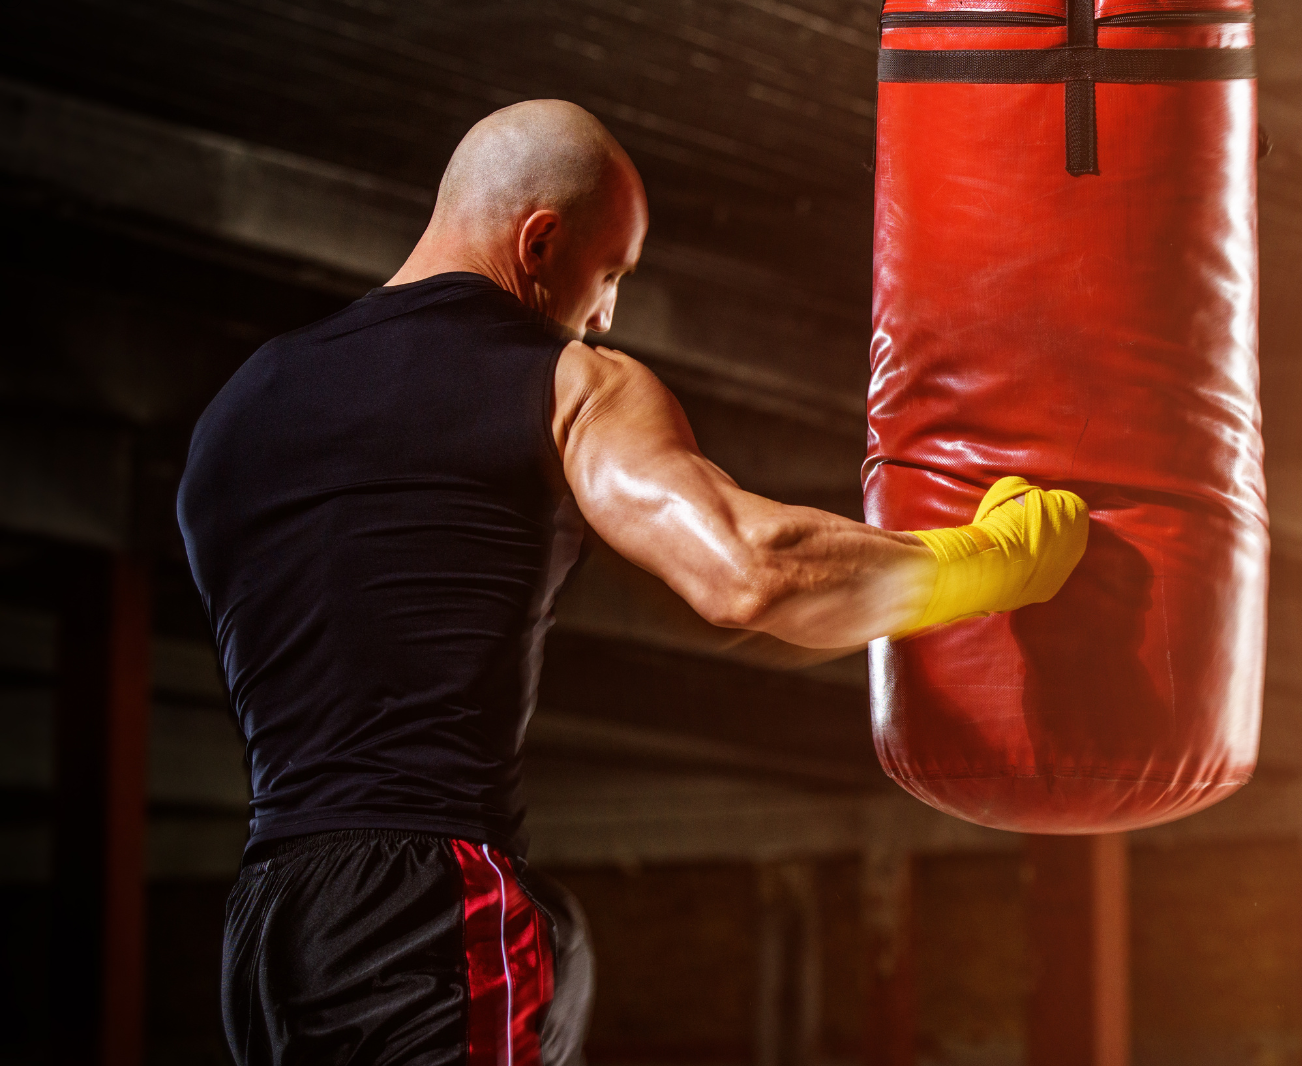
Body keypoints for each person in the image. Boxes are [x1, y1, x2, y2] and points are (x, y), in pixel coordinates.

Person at [178, 99, 1088, 1066]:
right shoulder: (569, 383)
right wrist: (993, 565)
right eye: (610, 274)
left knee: (564, 943)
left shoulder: (239, 409)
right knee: (553, 943)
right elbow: (751, 574)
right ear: (540, 241)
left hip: (269, 927)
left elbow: (382, 611)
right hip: (425, 915)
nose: (607, 313)